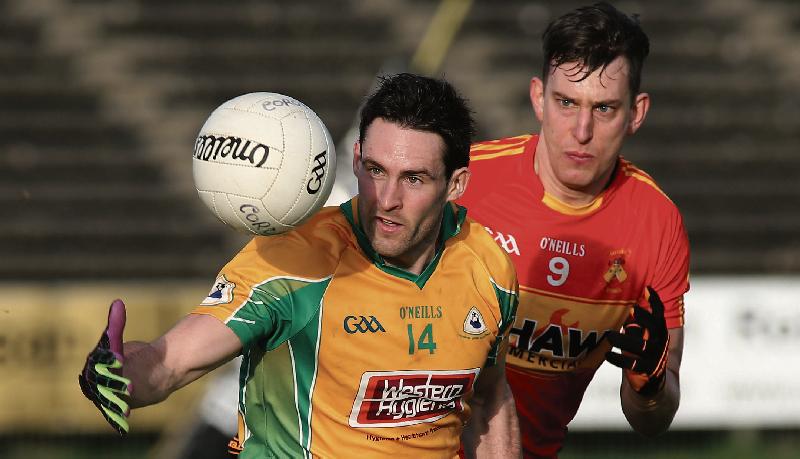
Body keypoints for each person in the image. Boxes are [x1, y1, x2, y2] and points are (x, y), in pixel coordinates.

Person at [79, 72, 521, 458]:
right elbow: (171, 361)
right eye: (375, 170)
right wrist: (122, 374)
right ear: (355, 159)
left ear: (456, 184)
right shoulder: (295, 259)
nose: (386, 200)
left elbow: (487, 397)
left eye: (413, 179)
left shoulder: (488, 267)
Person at [457, 3, 690, 458]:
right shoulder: (462, 183)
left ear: (636, 113)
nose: (581, 130)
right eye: (566, 103)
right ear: (538, 98)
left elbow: (653, 420)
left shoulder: (657, 222)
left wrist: (651, 385)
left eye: (604, 108)